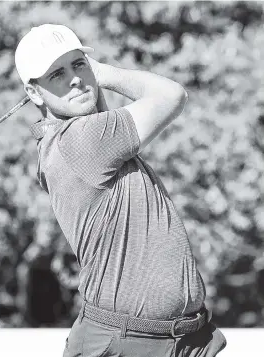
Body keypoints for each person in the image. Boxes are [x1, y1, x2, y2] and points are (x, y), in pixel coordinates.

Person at [15, 24, 227, 357]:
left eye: (78, 64)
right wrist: (102, 73)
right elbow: (172, 95)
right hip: (126, 344)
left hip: (183, 340)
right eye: (57, 73)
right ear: (34, 93)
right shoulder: (82, 139)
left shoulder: (79, 138)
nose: (74, 78)